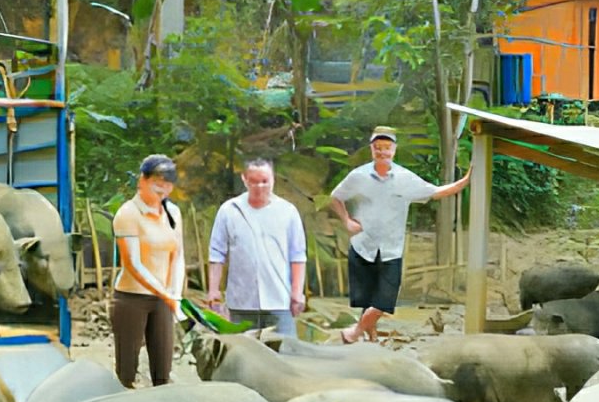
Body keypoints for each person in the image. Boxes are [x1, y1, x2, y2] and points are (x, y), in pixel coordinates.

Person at [329, 126, 471, 344]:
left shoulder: (405, 178)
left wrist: (466, 180)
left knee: (385, 299)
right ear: (371, 149)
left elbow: (435, 192)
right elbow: (335, 197)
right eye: (378, 147)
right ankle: (371, 339)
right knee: (367, 300)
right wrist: (347, 221)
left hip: (391, 249)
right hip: (363, 245)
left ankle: (354, 332)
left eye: (387, 147)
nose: (382, 152)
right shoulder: (358, 176)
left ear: (394, 150)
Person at [206, 158, 307, 337]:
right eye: (254, 181)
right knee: (243, 351)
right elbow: (217, 253)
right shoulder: (229, 210)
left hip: (279, 299)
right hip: (241, 302)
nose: (259, 187)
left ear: (273, 179)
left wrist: (297, 292)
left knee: (285, 351)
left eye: (264, 181)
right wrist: (213, 290)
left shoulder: (288, 212)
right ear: (244, 179)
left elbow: (297, 255)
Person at [111, 154, 185, 387]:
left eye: (168, 184)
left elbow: (178, 255)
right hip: (132, 298)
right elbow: (133, 264)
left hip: (163, 299)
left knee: (163, 368)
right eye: (157, 182)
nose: (163, 189)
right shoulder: (128, 214)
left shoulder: (173, 213)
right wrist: (166, 294)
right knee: (126, 370)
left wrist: (175, 294)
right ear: (142, 180)